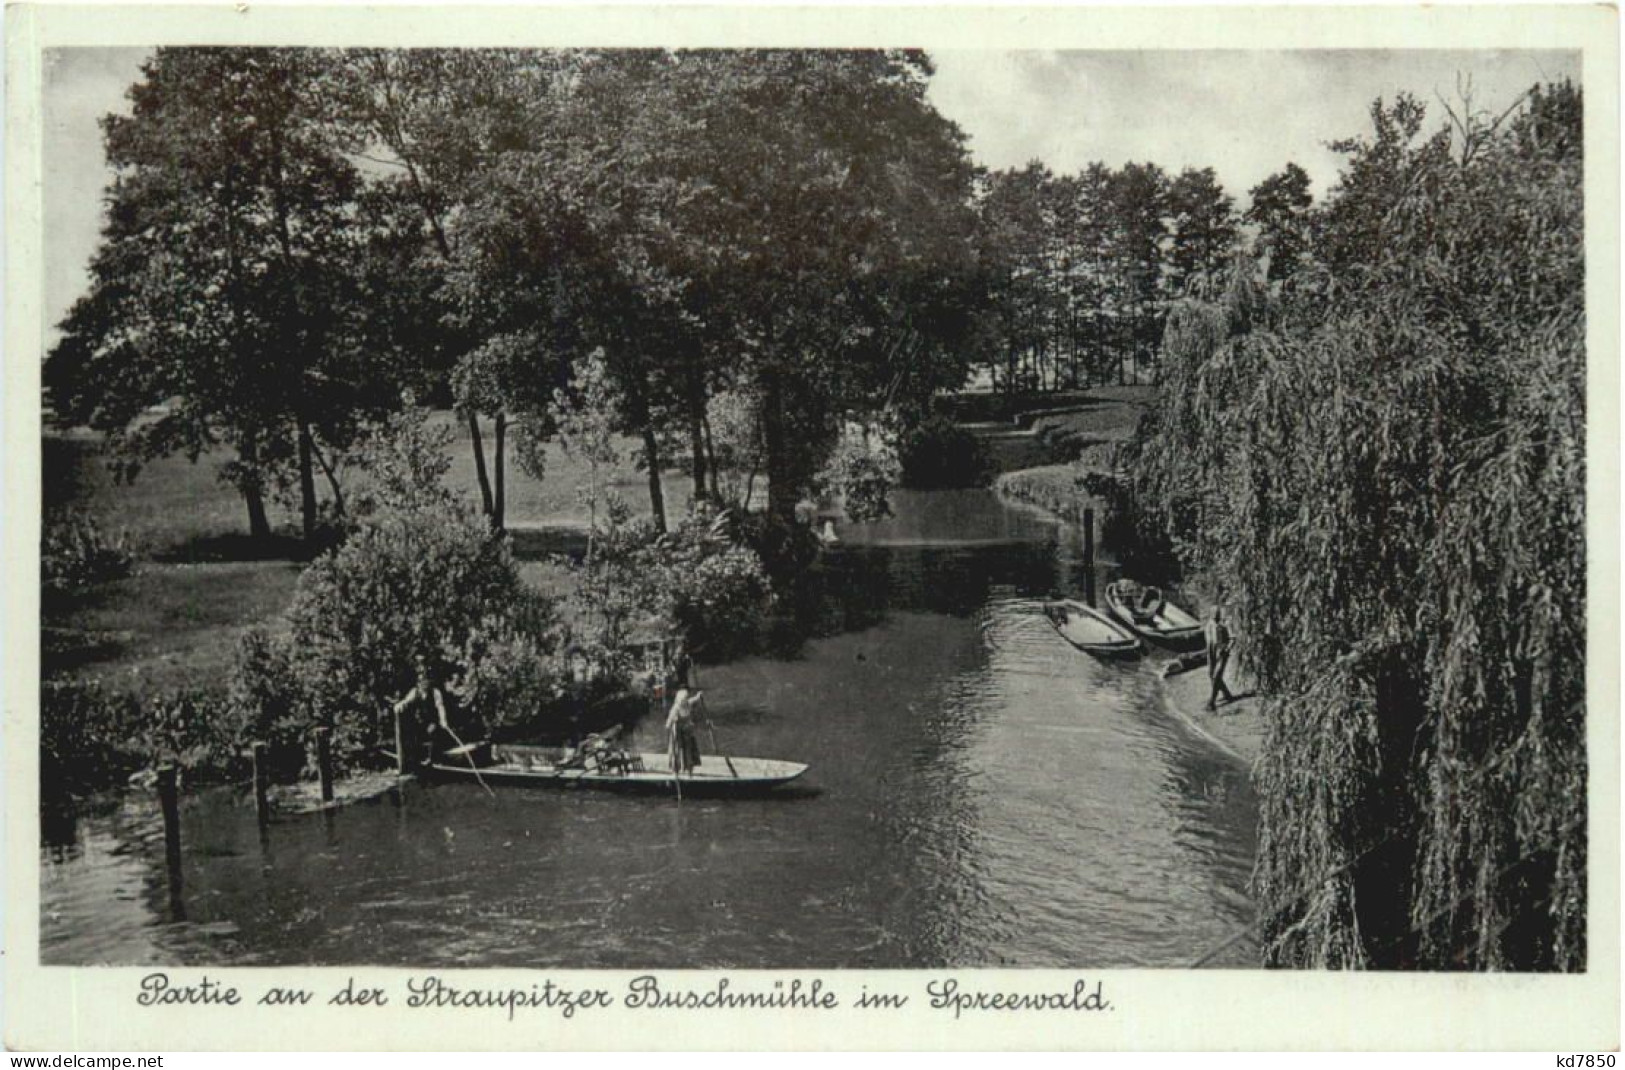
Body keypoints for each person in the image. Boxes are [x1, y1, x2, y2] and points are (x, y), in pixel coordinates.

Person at [393, 656, 456, 764]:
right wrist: (399, 705)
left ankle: (431, 759)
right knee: (412, 732)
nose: (424, 683)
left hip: (432, 722)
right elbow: (406, 700)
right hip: (420, 722)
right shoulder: (415, 692)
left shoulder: (435, 692)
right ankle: (414, 758)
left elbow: (440, 706)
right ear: (419, 683)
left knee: (432, 731)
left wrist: (443, 720)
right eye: (422, 681)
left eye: (426, 681)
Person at [666, 687, 705, 776]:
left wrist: (698, 696)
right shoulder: (676, 708)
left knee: (689, 749)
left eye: (686, 699)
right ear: (680, 700)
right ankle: (676, 769)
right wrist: (671, 723)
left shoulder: (687, 704)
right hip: (678, 733)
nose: (685, 701)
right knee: (678, 750)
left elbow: (694, 700)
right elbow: (669, 721)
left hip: (687, 731)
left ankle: (689, 768)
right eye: (683, 700)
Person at [1205, 607, 1237, 711]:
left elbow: (1233, 638)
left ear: (1219, 614)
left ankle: (1211, 702)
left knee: (1216, 676)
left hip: (1221, 652)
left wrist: (1227, 649)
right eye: (1213, 613)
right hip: (1211, 652)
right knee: (1211, 674)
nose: (1215, 615)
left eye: (1217, 613)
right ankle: (1227, 694)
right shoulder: (1209, 624)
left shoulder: (1225, 624)